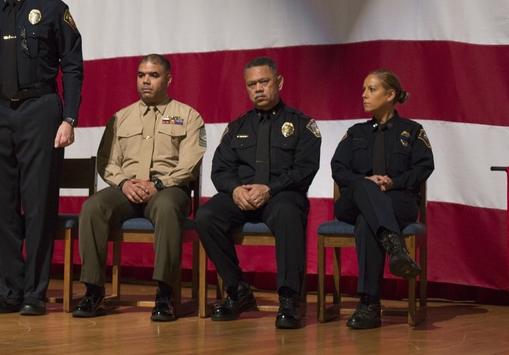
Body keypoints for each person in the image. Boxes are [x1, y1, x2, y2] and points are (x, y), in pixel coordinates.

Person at [0, 0, 83, 316]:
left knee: (37, 204)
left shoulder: (53, 10)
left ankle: (34, 291)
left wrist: (69, 118)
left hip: (40, 110)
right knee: (1, 205)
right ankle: (11, 290)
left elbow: (73, 68)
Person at [73, 54, 207, 321]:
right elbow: (107, 161)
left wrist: (158, 184)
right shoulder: (121, 118)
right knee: (93, 207)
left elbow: (190, 163)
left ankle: (165, 293)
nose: (146, 81)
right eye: (141, 75)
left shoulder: (188, 116)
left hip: (168, 190)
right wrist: (123, 183)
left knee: (168, 208)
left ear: (168, 79)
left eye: (154, 75)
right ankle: (94, 290)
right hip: (127, 190)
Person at [195, 57, 321, 329]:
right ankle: (238, 291)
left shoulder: (301, 124)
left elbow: (305, 169)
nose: (258, 89)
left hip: (282, 195)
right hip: (243, 196)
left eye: (264, 82)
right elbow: (220, 170)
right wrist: (235, 189)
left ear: (279, 82)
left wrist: (271, 188)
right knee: (206, 216)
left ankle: (288, 299)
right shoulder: (238, 127)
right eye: (252, 84)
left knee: (288, 212)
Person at [330, 70, 433, 329]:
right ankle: (395, 248)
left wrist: (393, 182)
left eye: (371, 89)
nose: (364, 95)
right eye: (363, 89)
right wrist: (368, 182)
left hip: (397, 201)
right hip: (353, 201)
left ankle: (369, 305)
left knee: (368, 221)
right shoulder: (355, 133)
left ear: (390, 94)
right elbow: (338, 168)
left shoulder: (412, 131)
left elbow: (424, 167)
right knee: (366, 187)